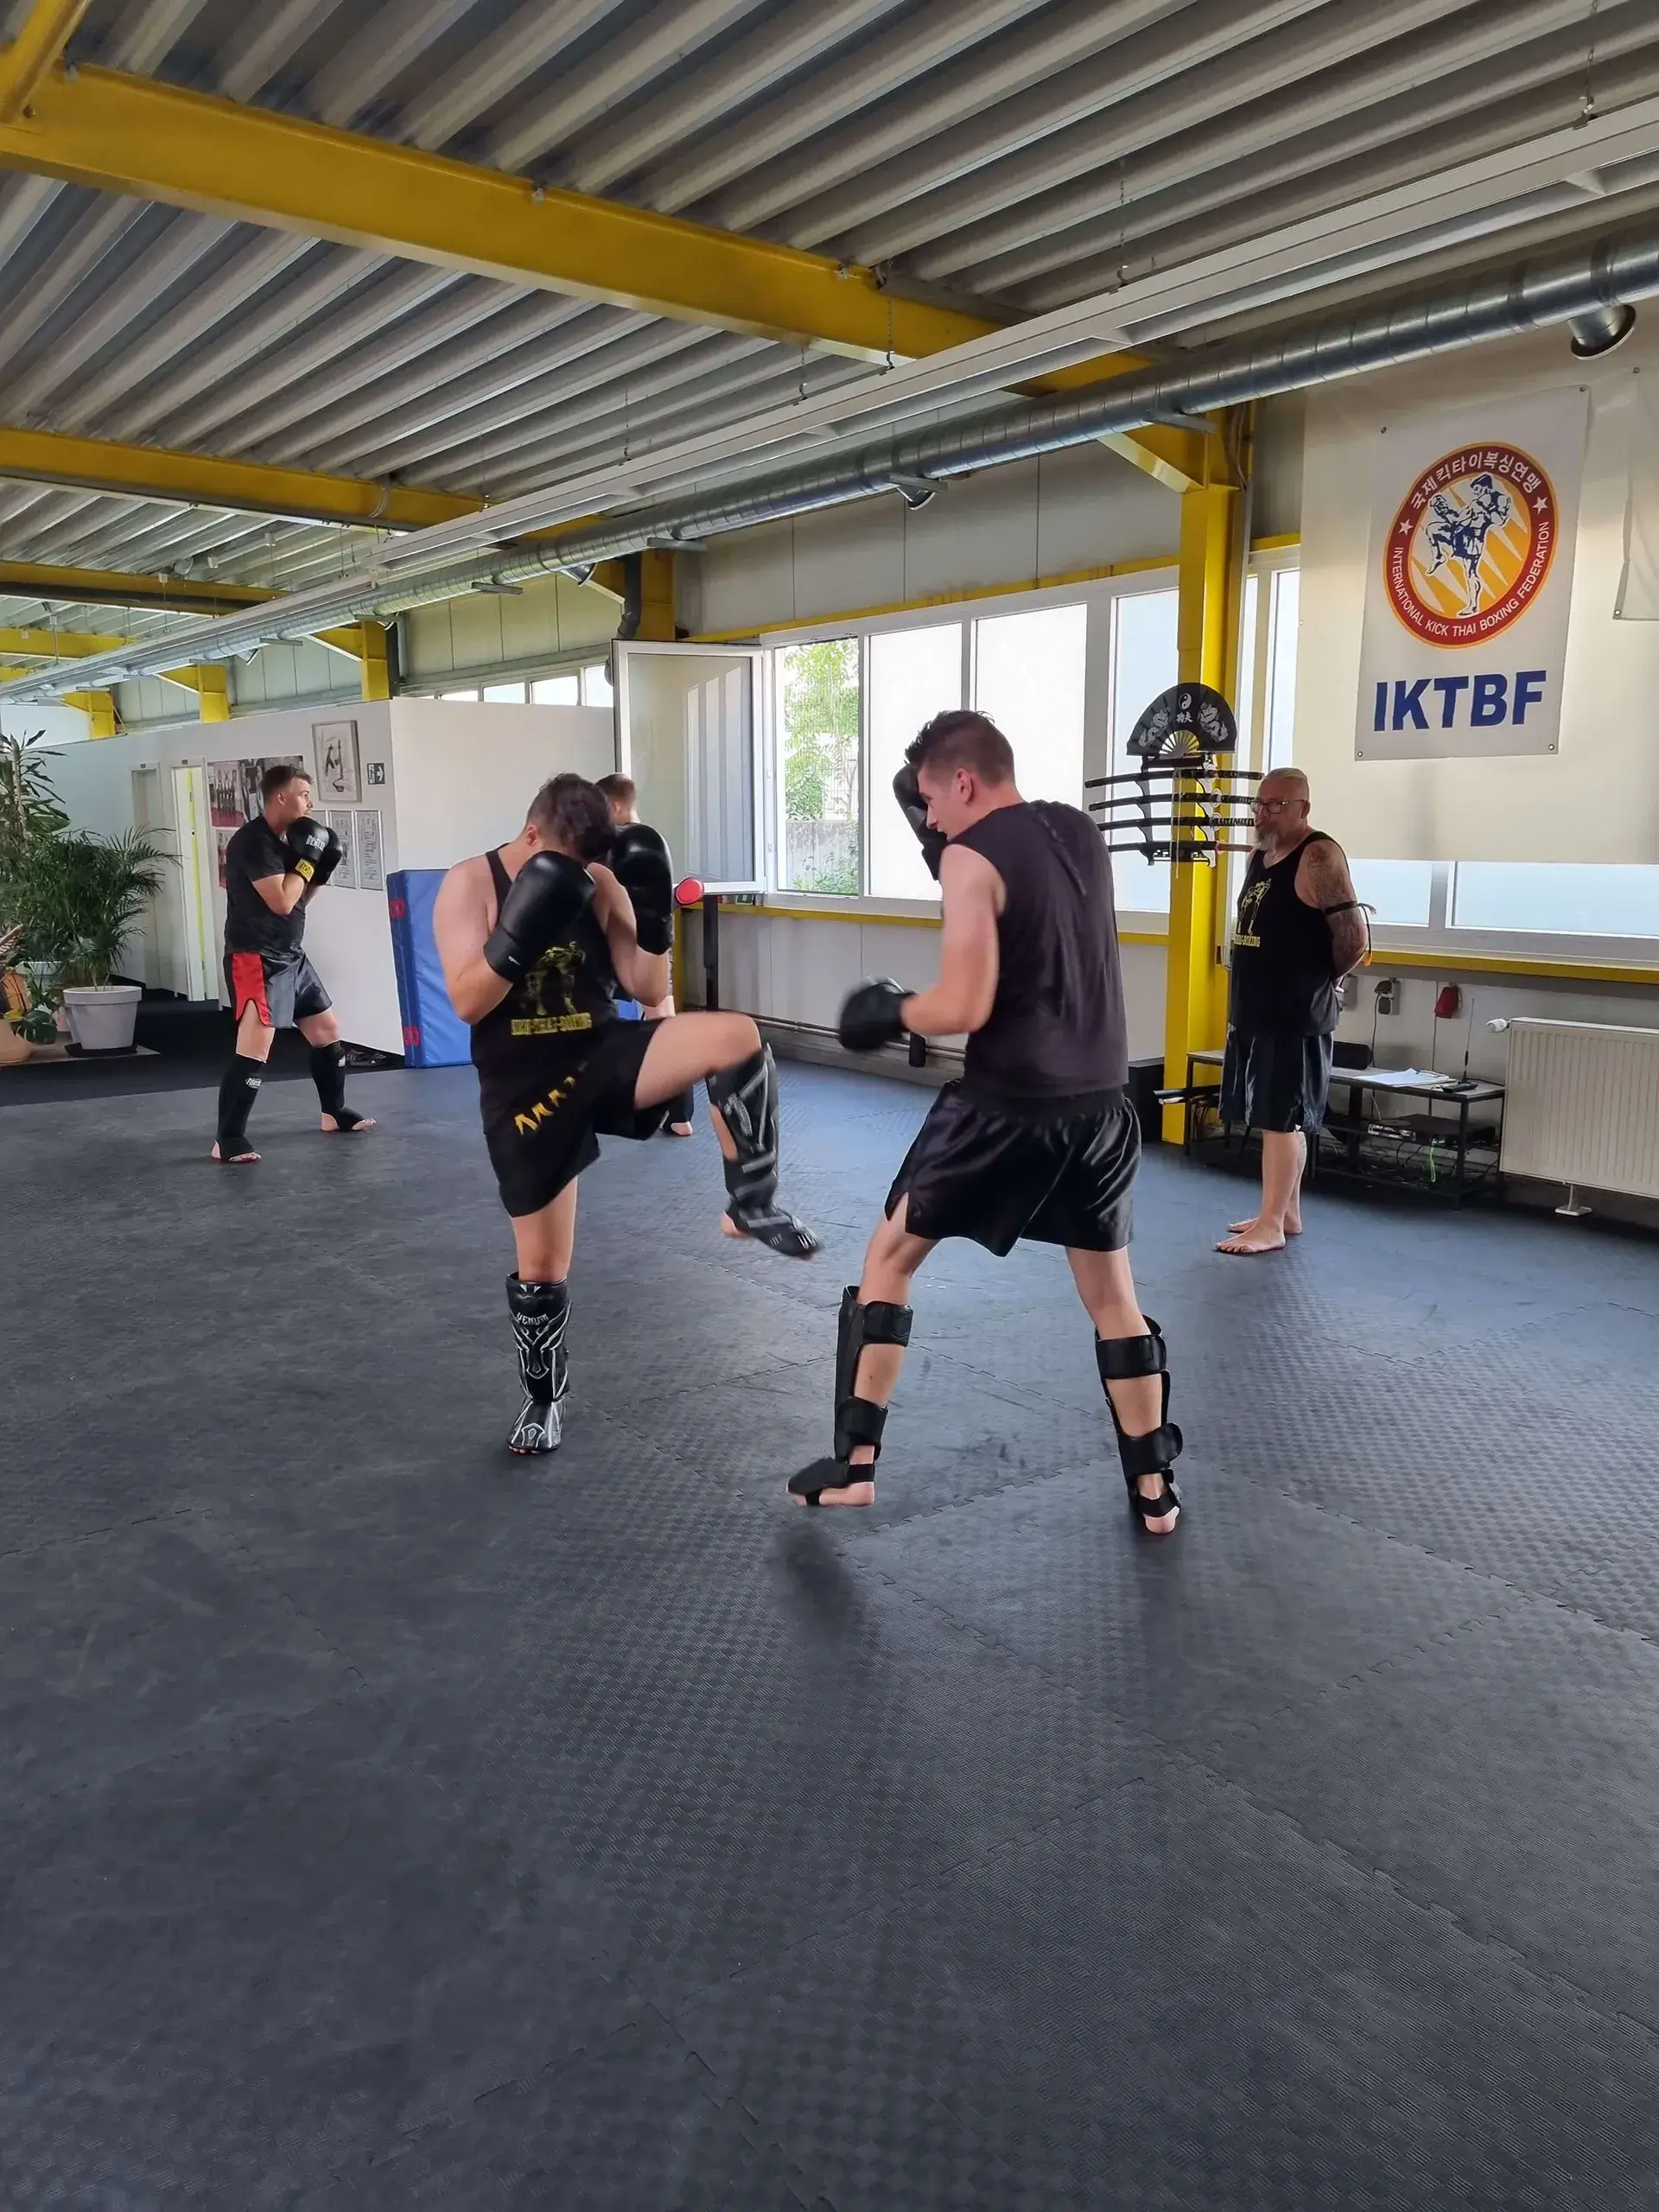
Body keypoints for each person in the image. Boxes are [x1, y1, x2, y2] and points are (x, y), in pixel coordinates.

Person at [790, 710, 1183, 1535]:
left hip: (1008, 1105)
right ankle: (1154, 1490)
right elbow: (1033, 912)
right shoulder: (1080, 833)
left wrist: (893, 1009)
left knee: (888, 1258)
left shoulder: (971, 857)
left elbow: (965, 1005)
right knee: (1113, 1295)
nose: (929, 820)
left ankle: (854, 1468)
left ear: (963, 782)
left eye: (932, 800)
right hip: (1103, 1106)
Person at [433, 772, 817, 1455]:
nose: (581, 876)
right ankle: (543, 1399)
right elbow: (466, 1002)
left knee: (737, 1036)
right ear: (531, 833)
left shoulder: (601, 880)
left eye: (590, 864)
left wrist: (656, 917)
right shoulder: (471, 883)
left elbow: (644, 986)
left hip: (602, 1052)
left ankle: (751, 1203)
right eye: (569, 863)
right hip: (526, 1087)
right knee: (542, 1266)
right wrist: (521, 929)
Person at [1215, 767, 1368, 1256]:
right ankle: (1286, 1213)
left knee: (1281, 1120)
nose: (1264, 813)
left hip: (1294, 1011)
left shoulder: (1318, 855)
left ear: (1304, 808)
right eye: (1260, 804)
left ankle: (1271, 1225)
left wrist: (1323, 982)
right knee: (1275, 1116)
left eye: (1277, 805)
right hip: (1255, 1006)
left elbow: (1353, 939)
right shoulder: (1261, 856)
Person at [213, 763, 371, 1165]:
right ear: (280, 797)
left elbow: (300, 900)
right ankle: (227, 1138)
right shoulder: (253, 843)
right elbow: (282, 903)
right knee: (255, 1046)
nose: (310, 803)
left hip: (291, 955)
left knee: (326, 1030)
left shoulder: (290, 840)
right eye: (304, 795)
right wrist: (307, 860)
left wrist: (321, 869)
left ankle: (334, 1112)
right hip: (255, 956)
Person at [597, 771, 693, 1138]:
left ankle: (680, 1113)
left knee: (661, 1023)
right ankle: (674, 1113)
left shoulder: (639, 845)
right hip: (622, 946)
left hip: (641, 949)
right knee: (657, 1021)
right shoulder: (627, 844)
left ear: (614, 806)